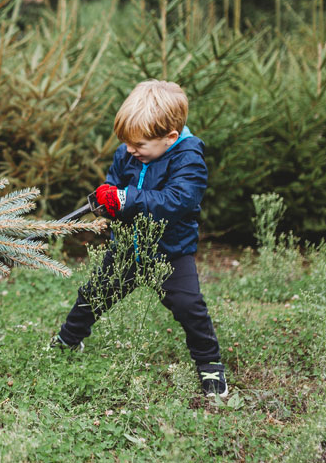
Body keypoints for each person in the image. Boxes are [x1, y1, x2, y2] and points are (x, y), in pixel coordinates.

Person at [49, 79, 228, 397]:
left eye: (140, 145)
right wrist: (108, 199)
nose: (131, 151)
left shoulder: (189, 159)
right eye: (128, 144)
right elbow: (115, 185)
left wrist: (126, 199)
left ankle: (210, 366)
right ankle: (68, 339)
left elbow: (176, 201)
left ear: (170, 137)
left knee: (190, 307)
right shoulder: (127, 153)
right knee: (93, 295)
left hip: (170, 253)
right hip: (126, 249)